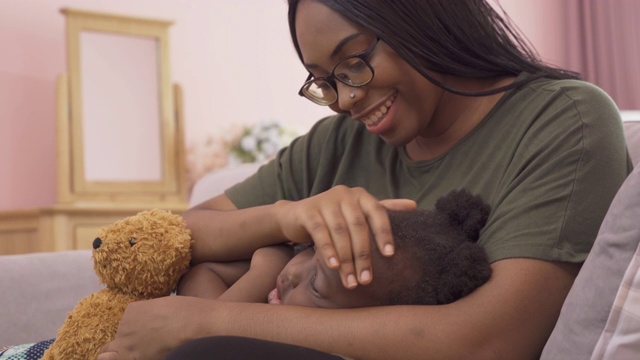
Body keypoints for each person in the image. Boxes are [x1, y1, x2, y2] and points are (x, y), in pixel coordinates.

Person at [97, 0, 632, 359]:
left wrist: (205, 323)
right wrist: (287, 216)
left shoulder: (564, 121)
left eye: (354, 62)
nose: (347, 98)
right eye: (325, 81)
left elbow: (493, 338)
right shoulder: (339, 144)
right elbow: (180, 234)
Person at [178, 189, 492, 309]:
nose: (294, 272)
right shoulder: (287, 267)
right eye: (314, 248)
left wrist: (260, 273)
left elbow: (201, 331)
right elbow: (198, 271)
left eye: (316, 285)